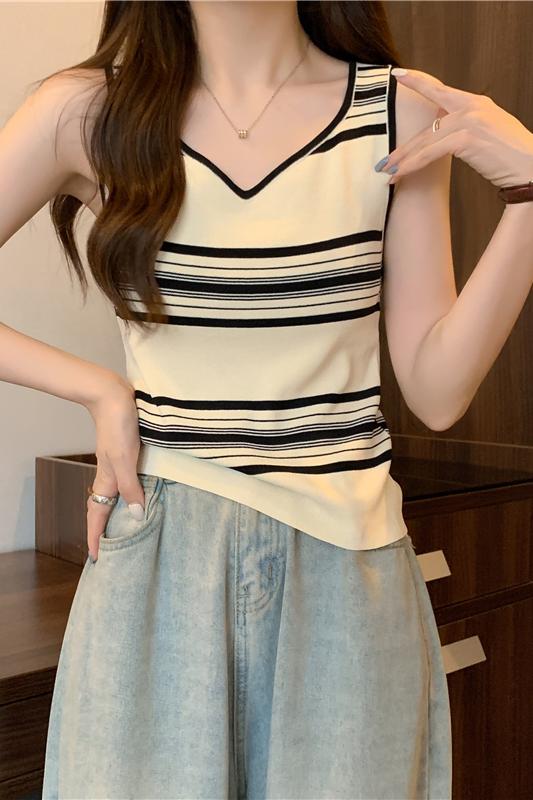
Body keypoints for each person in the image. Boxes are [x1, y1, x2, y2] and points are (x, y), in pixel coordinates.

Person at [1, 2, 532, 798]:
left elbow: (437, 389)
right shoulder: (89, 110)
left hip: (347, 565)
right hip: (160, 551)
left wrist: (529, 196)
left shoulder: (398, 109)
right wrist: (98, 388)